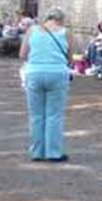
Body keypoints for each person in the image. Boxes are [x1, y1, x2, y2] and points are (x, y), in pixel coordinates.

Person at [19, 8, 72, 162]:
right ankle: (53, 152)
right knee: (54, 115)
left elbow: (22, 54)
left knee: (36, 115)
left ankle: (37, 152)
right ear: (61, 20)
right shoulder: (65, 32)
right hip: (57, 73)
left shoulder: (32, 31)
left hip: (34, 72)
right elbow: (69, 58)